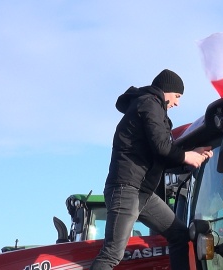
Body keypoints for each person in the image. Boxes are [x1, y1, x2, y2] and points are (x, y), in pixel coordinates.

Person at [90, 69, 213, 270]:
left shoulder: (149, 107)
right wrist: (187, 156)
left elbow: (161, 155)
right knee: (112, 254)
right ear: (166, 90)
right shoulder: (149, 104)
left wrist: (191, 153)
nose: (177, 103)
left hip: (142, 193)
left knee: (180, 235)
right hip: (127, 189)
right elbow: (162, 147)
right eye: (177, 96)